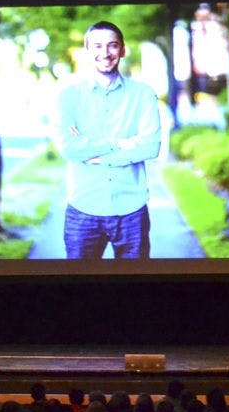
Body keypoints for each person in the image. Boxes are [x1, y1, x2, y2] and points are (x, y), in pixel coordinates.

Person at [54, 21, 161, 259]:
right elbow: (68, 148)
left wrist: (94, 153)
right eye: (97, 46)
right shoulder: (68, 96)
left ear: (122, 50)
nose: (105, 53)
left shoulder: (143, 94)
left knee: (137, 286)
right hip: (83, 208)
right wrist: (121, 143)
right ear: (87, 50)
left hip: (131, 209)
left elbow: (151, 147)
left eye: (112, 46)